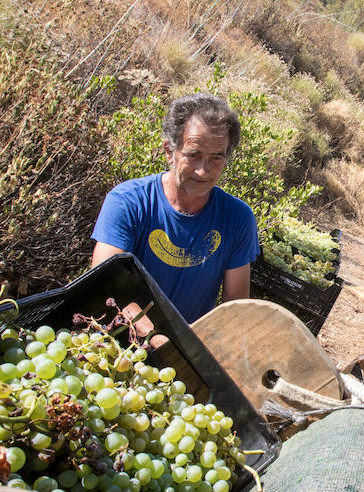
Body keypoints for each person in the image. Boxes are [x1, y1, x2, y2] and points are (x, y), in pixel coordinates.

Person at [90, 93, 259, 323]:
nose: (203, 170)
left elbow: (234, 307)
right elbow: (105, 282)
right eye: (193, 155)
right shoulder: (128, 201)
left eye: (216, 158)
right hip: (119, 341)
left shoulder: (238, 218)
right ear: (169, 151)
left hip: (186, 349)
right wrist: (157, 338)